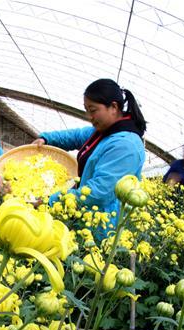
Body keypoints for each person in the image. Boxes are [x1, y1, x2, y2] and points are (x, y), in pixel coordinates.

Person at [33, 79, 146, 235]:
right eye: (87, 110)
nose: (89, 116)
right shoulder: (104, 132)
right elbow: (75, 136)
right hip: (85, 217)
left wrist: (50, 200)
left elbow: (99, 192)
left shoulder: (126, 146)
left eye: (93, 110)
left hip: (102, 229)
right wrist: (46, 139)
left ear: (113, 107)